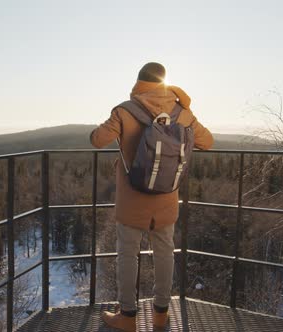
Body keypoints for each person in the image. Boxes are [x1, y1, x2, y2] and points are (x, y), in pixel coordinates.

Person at [90, 62, 213, 331]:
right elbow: (207, 141)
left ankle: (127, 317)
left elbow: (97, 139)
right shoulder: (182, 112)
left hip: (132, 200)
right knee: (164, 253)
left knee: (127, 255)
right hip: (166, 199)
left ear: (139, 82)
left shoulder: (125, 110)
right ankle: (160, 315)